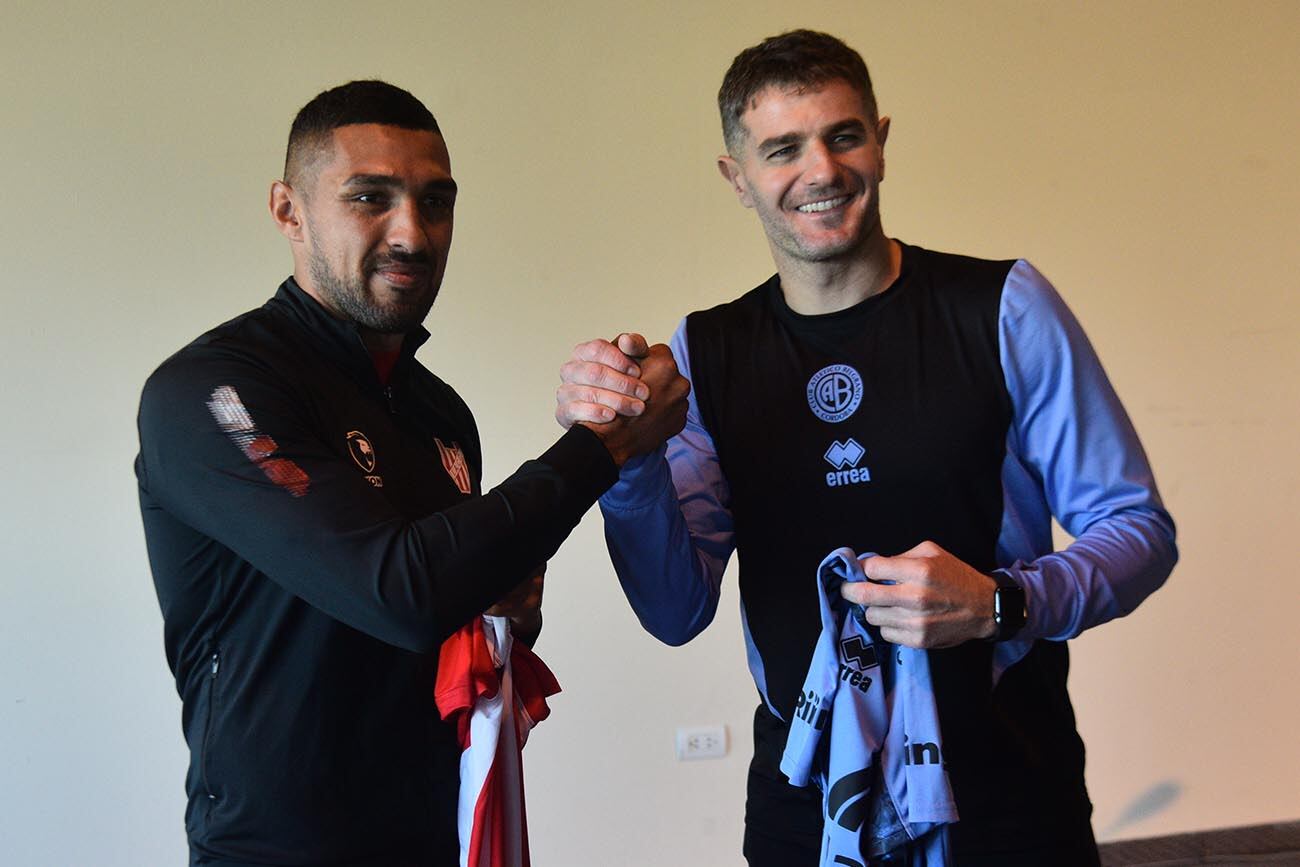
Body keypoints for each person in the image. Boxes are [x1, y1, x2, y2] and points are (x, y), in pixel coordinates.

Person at [557, 30, 1178, 866]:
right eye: (782, 149)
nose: (821, 171)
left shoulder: (1003, 305)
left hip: (1006, 789)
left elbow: (1138, 528)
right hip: (804, 803)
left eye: (842, 136)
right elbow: (676, 610)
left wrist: (1002, 602)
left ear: (880, 141)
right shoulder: (707, 351)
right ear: (736, 177)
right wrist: (625, 459)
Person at [136, 80, 688, 867]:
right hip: (272, 850)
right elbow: (398, 590)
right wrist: (607, 444)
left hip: (437, 835)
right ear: (288, 211)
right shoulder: (213, 392)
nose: (413, 233)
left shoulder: (440, 415)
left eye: (436, 202)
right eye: (370, 197)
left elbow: (445, 606)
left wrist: (508, 605)